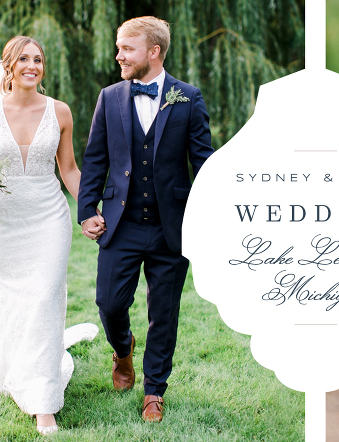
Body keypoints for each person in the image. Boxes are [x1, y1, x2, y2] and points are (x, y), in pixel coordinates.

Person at [77, 16, 214, 422]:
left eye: (127, 48)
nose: (119, 55)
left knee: (164, 313)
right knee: (109, 302)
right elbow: (95, 158)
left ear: (153, 52)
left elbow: (203, 162)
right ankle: (122, 350)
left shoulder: (188, 98)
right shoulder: (110, 97)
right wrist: (87, 210)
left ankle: (155, 391)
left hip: (173, 226)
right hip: (121, 223)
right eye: (119, 47)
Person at [0, 36, 99, 436]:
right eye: (23, 58)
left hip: (48, 218)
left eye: (38, 59)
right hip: (8, 222)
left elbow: (70, 170)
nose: (32, 65)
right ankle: (17, 367)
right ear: (8, 64)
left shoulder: (59, 111)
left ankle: (43, 402)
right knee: (15, 298)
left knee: (44, 297)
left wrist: (90, 211)